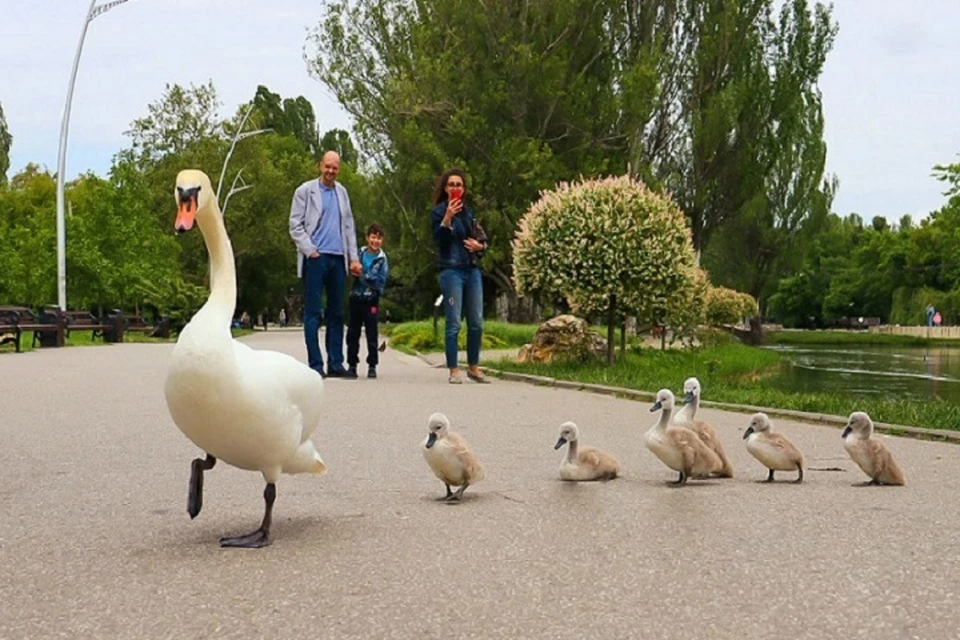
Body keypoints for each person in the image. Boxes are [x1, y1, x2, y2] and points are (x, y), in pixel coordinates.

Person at [289, 151, 361, 378]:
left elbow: (349, 226)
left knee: (337, 313)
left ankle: (336, 362)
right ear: (320, 165)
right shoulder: (305, 191)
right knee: (313, 312)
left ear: (339, 169)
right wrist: (310, 251)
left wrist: (353, 258)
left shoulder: (342, 192)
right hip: (316, 258)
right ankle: (316, 364)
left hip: (338, 258)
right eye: (327, 167)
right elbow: (295, 225)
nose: (330, 171)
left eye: (335, 168)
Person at [430, 168, 490, 384]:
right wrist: (447, 218)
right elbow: (439, 241)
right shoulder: (438, 212)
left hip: (471, 270)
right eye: (451, 184)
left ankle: (473, 366)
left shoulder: (469, 213)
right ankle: (453, 369)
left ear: (463, 189)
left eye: (459, 185)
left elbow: (481, 239)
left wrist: (478, 245)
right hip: (451, 271)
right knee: (454, 321)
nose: (455, 188)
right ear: (446, 188)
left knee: (476, 321)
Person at [346, 224, 389, 379]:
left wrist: (362, 274)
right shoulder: (360, 253)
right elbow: (351, 269)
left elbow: (379, 281)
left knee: (372, 333)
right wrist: (355, 272)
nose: (375, 241)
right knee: (353, 333)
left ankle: (372, 364)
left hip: (372, 300)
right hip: (356, 297)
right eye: (373, 237)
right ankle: (352, 364)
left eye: (378, 238)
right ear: (367, 238)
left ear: (382, 240)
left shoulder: (382, 259)